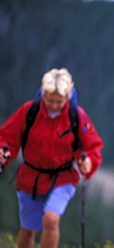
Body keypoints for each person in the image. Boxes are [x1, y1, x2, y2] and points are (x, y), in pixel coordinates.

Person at [0, 68, 104, 248]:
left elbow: (91, 145)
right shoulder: (29, 110)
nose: (54, 105)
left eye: (59, 101)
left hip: (63, 177)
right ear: (43, 94)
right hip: (30, 176)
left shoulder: (77, 115)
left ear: (67, 97)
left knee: (51, 219)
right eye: (50, 101)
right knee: (28, 229)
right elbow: (7, 137)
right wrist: (3, 152)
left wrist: (88, 162)